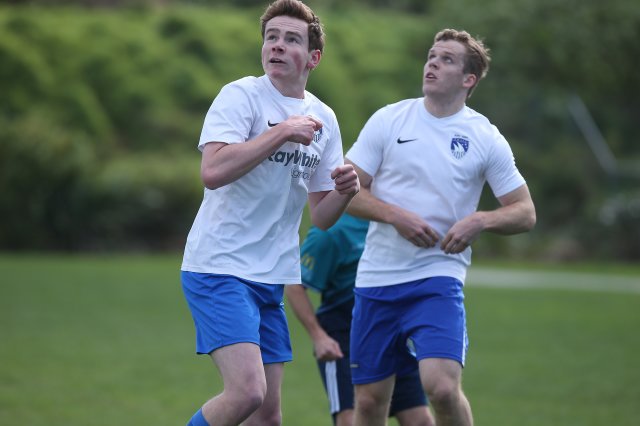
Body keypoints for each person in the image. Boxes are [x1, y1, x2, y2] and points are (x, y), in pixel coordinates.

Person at [179, 1, 360, 425]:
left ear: (313, 58)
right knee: (247, 392)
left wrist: (345, 193)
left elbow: (322, 217)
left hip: (272, 275)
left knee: (267, 418)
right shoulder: (241, 96)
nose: (277, 45)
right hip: (219, 265)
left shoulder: (324, 118)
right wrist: (282, 132)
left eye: (291, 39)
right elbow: (212, 171)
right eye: (271, 37)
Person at [344, 29, 537, 426]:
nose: (432, 63)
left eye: (447, 59)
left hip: (438, 277)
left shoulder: (485, 137)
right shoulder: (389, 119)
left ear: (469, 79)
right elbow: (346, 192)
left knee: (443, 389)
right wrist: (395, 215)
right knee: (369, 403)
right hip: (378, 278)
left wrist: (480, 220)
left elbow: (525, 212)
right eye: (432, 55)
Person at [285, 213, 435, 426]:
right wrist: (319, 337)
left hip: (391, 333)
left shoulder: (396, 221)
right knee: (350, 420)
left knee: (420, 420)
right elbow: (294, 285)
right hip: (344, 338)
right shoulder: (331, 230)